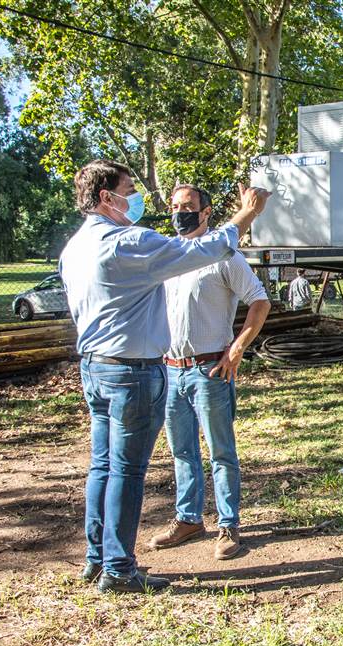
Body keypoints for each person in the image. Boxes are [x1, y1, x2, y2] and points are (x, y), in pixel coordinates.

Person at [60, 159, 269, 593]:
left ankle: (96, 557)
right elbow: (201, 251)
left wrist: (235, 347)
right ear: (107, 197)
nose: (136, 198)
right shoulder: (129, 241)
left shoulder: (75, 247)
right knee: (125, 470)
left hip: (95, 368)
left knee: (102, 465)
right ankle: (119, 569)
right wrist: (246, 215)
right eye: (129, 189)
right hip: (133, 372)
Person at [148, 184, 271, 560]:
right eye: (174, 206)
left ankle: (228, 524)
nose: (180, 212)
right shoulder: (170, 255)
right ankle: (188, 519)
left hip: (210, 370)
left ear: (206, 212)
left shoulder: (224, 256)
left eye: (188, 206)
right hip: (171, 371)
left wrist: (236, 351)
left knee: (221, 451)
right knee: (181, 450)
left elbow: (259, 303)